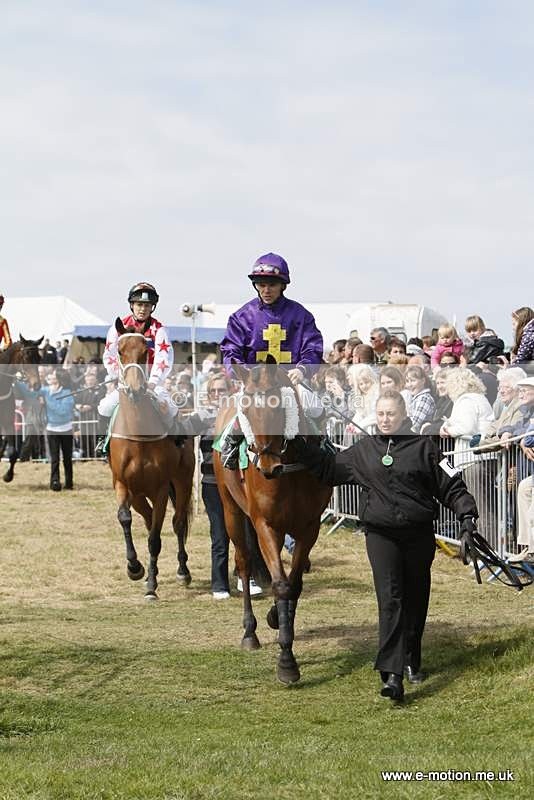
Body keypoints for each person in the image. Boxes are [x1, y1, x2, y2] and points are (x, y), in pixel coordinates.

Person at [292, 390, 478, 700]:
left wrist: (467, 518)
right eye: (380, 414)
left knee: (415, 597)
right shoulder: (363, 451)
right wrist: (298, 444)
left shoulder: (425, 449)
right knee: (390, 599)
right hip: (381, 536)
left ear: (403, 415)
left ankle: (411, 656)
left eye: (390, 414)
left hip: (418, 535)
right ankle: (392, 675)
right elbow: (328, 469)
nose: (385, 419)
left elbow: (453, 487)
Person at [219, 253, 324, 468]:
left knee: (315, 408)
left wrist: (303, 370)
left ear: (283, 285)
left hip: (290, 380)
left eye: (272, 285)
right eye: (261, 285)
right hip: (255, 383)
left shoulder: (301, 315)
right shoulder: (241, 317)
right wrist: (242, 375)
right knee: (243, 405)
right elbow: (230, 350)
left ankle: (324, 447)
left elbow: (313, 346)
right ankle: (230, 444)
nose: (266, 290)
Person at [96, 282, 175, 454]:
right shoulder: (117, 328)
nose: (143, 309)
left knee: (170, 409)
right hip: (125, 383)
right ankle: (102, 441)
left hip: (151, 384)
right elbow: (109, 356)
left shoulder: (159, 330)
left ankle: (176, 444)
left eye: (147, 305)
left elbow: (164, 359)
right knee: (104, 407)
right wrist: (119, 376)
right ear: (132, 305)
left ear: (152, 307)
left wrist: (153, 382)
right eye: (139, 304)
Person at [17, 369, 75, 490]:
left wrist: (47, 401)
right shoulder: (45, 390)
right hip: (52, 429)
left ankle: (69, 483)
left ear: (59, 379)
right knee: (54, 458)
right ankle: (54, 482)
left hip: (66, 430)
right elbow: (30, 394)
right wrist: (17, 382)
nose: (50, 376)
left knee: (67, 458)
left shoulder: (67, 392)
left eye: (53, 375)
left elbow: (63, 411)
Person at [404, 365, 436, 433]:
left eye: (413, 380)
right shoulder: (416, 398)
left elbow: (414, 423)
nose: (409, 385)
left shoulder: (424, 398)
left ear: (423, 381)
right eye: (407, 381)